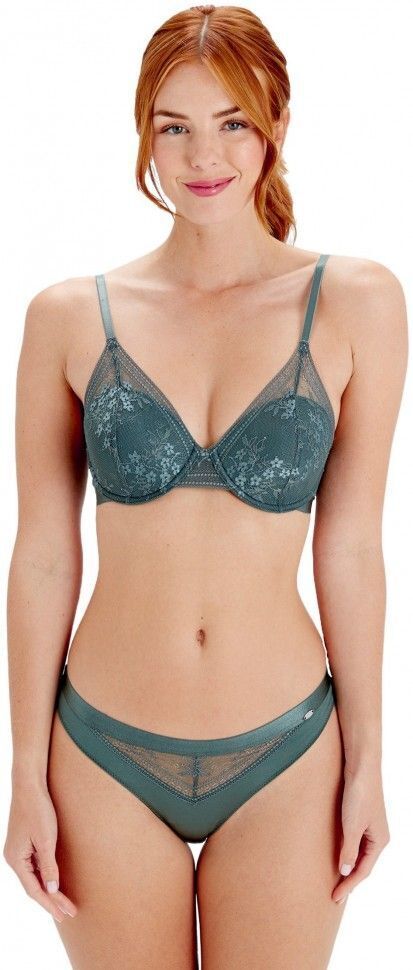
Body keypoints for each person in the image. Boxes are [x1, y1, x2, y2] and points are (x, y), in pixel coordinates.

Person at [3, 5, 408, 968]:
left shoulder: (355, 301)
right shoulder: (68, 316)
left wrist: (366, 761)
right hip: (101, 751)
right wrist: (24, 773)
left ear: (276, 124)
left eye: (231, 122)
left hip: (288, 754)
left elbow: (352, 544)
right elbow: (44, 552)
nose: (202, 156)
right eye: (173, 126)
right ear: (143, 133)